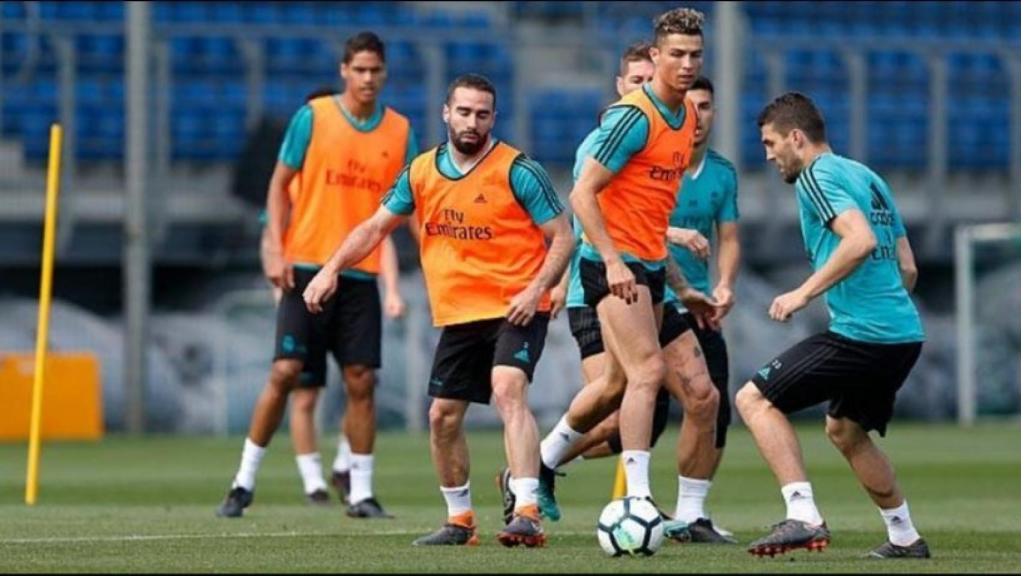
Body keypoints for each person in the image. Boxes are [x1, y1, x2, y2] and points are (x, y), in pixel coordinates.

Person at [303, 74, 574, 548]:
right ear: (446, 113)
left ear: (494, 117)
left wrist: (537, 290)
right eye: (464, 112)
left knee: (508, 388)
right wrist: (329, 270)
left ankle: (527, 510)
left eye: (483, 114)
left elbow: (563, 236)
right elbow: (374, 228)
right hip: (459, 313)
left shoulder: (519, 170)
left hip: (517, 306)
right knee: (441, 418)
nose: (473, 122)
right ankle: (460, 521)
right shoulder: (421, 171)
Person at [216, 31, 416, 519]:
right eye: (360, 69)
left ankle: (362, 490)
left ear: (385, 73)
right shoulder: (314, 117)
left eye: (376, 70)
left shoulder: (400, 131)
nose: (368, 78)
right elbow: (279, 184)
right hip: (305, 268)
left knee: (361, 379)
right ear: (345, 71)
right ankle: (243, 482)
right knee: (285, 374)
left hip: (360, 275)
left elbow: (403, 210)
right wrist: (273, 248)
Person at [540, 7, 717, 523]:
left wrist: (681, 287)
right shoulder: (632, 117)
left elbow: (647, 210)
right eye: (677, 55)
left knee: (648, 390)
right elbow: (581, 193)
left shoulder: (685, 118)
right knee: (648, 374)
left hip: (652, 268)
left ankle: (538, 465)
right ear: (656, 56)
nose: (686, 64)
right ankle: (637, 501)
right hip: (611, 267)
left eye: (695, 55)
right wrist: (614, 262)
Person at [738, 92, 929, 559]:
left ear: (796, 138)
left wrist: (802, 293)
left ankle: (802, 516)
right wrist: (884, 309)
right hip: (904, 334)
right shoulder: (868, 176)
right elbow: (907, 266)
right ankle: (905, 537)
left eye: (770, 142)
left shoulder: (816, 176)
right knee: (845, 429)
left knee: (754, 398)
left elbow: (859, 241)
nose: (767, 154)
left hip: (864, 334)